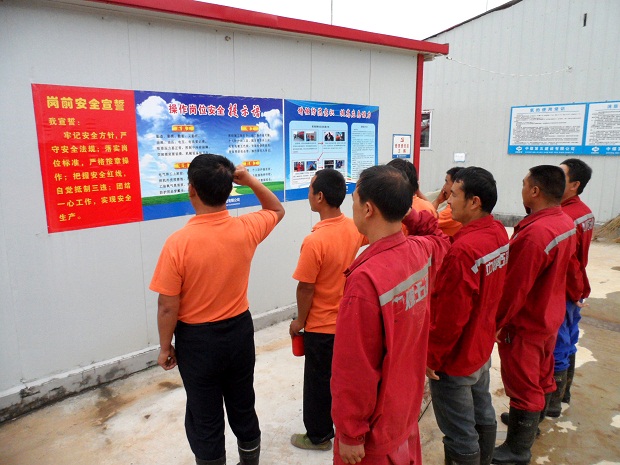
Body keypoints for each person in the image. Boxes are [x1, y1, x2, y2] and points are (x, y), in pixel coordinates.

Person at [149, 154, 285, 465]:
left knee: (205, 416)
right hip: (239, 333)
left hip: (198, 342)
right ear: (229, 189)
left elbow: (167, 306)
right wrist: (248, 179)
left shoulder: (178, 243)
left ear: (192, 189)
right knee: (243, 404)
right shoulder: (246, 228)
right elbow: (276, 209)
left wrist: (165, 347)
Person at [331, 165, 450, 465]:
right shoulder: (420, 250)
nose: (352, 207)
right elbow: (440, 238)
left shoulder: (365, 279)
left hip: (375, 433)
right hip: (404, 409)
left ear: (368, 209)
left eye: (354, 200)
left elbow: (355, 367)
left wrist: (350, 433)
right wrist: (406, 213)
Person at [493, 165, 576, 465]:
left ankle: (518, 448)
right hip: (549, 315)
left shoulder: (535, 234)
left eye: (524, 184)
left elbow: (515, 288)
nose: (523, 189)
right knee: (541, 374)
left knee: (524, 383)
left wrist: (496, 323)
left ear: (535, 191)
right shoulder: (563, 221)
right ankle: (529, 423)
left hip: (527, 322)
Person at [426, 167, 509, 465]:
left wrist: (432, 358)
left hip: (456, 359)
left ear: (474, 202)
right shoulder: (497, 232)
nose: (449, 201)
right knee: (482, 411)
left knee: (460, 432)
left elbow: (450, 318)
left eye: (455, 195)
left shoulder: (463, 251)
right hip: (480, 346)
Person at [289, 169, 367, 451]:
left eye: (310, 189)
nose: (308, 194)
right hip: (346, 321)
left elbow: (305, 288)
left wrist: (299, 321)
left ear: (319, 197)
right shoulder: (353, 228)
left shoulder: (315, 241)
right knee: (341, 379)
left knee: (317, 384)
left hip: (321, 327)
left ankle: (319, 436)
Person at [547, 158, 594, 415]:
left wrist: (575, 292)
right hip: (575, 286)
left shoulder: (566, 217)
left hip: (565, 289)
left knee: (559, 345)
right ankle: (563, 394)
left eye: (561, 176)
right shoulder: (584, 211)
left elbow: (571, 262)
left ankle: (551, 405)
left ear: (574, 185)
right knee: (569, 340)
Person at [432, 167, 464, 237]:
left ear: (455, 185)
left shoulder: (452, 211)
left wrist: (437, 201)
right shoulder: (458, 207)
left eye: (446, 182)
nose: (443, 187)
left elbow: (425, 221)